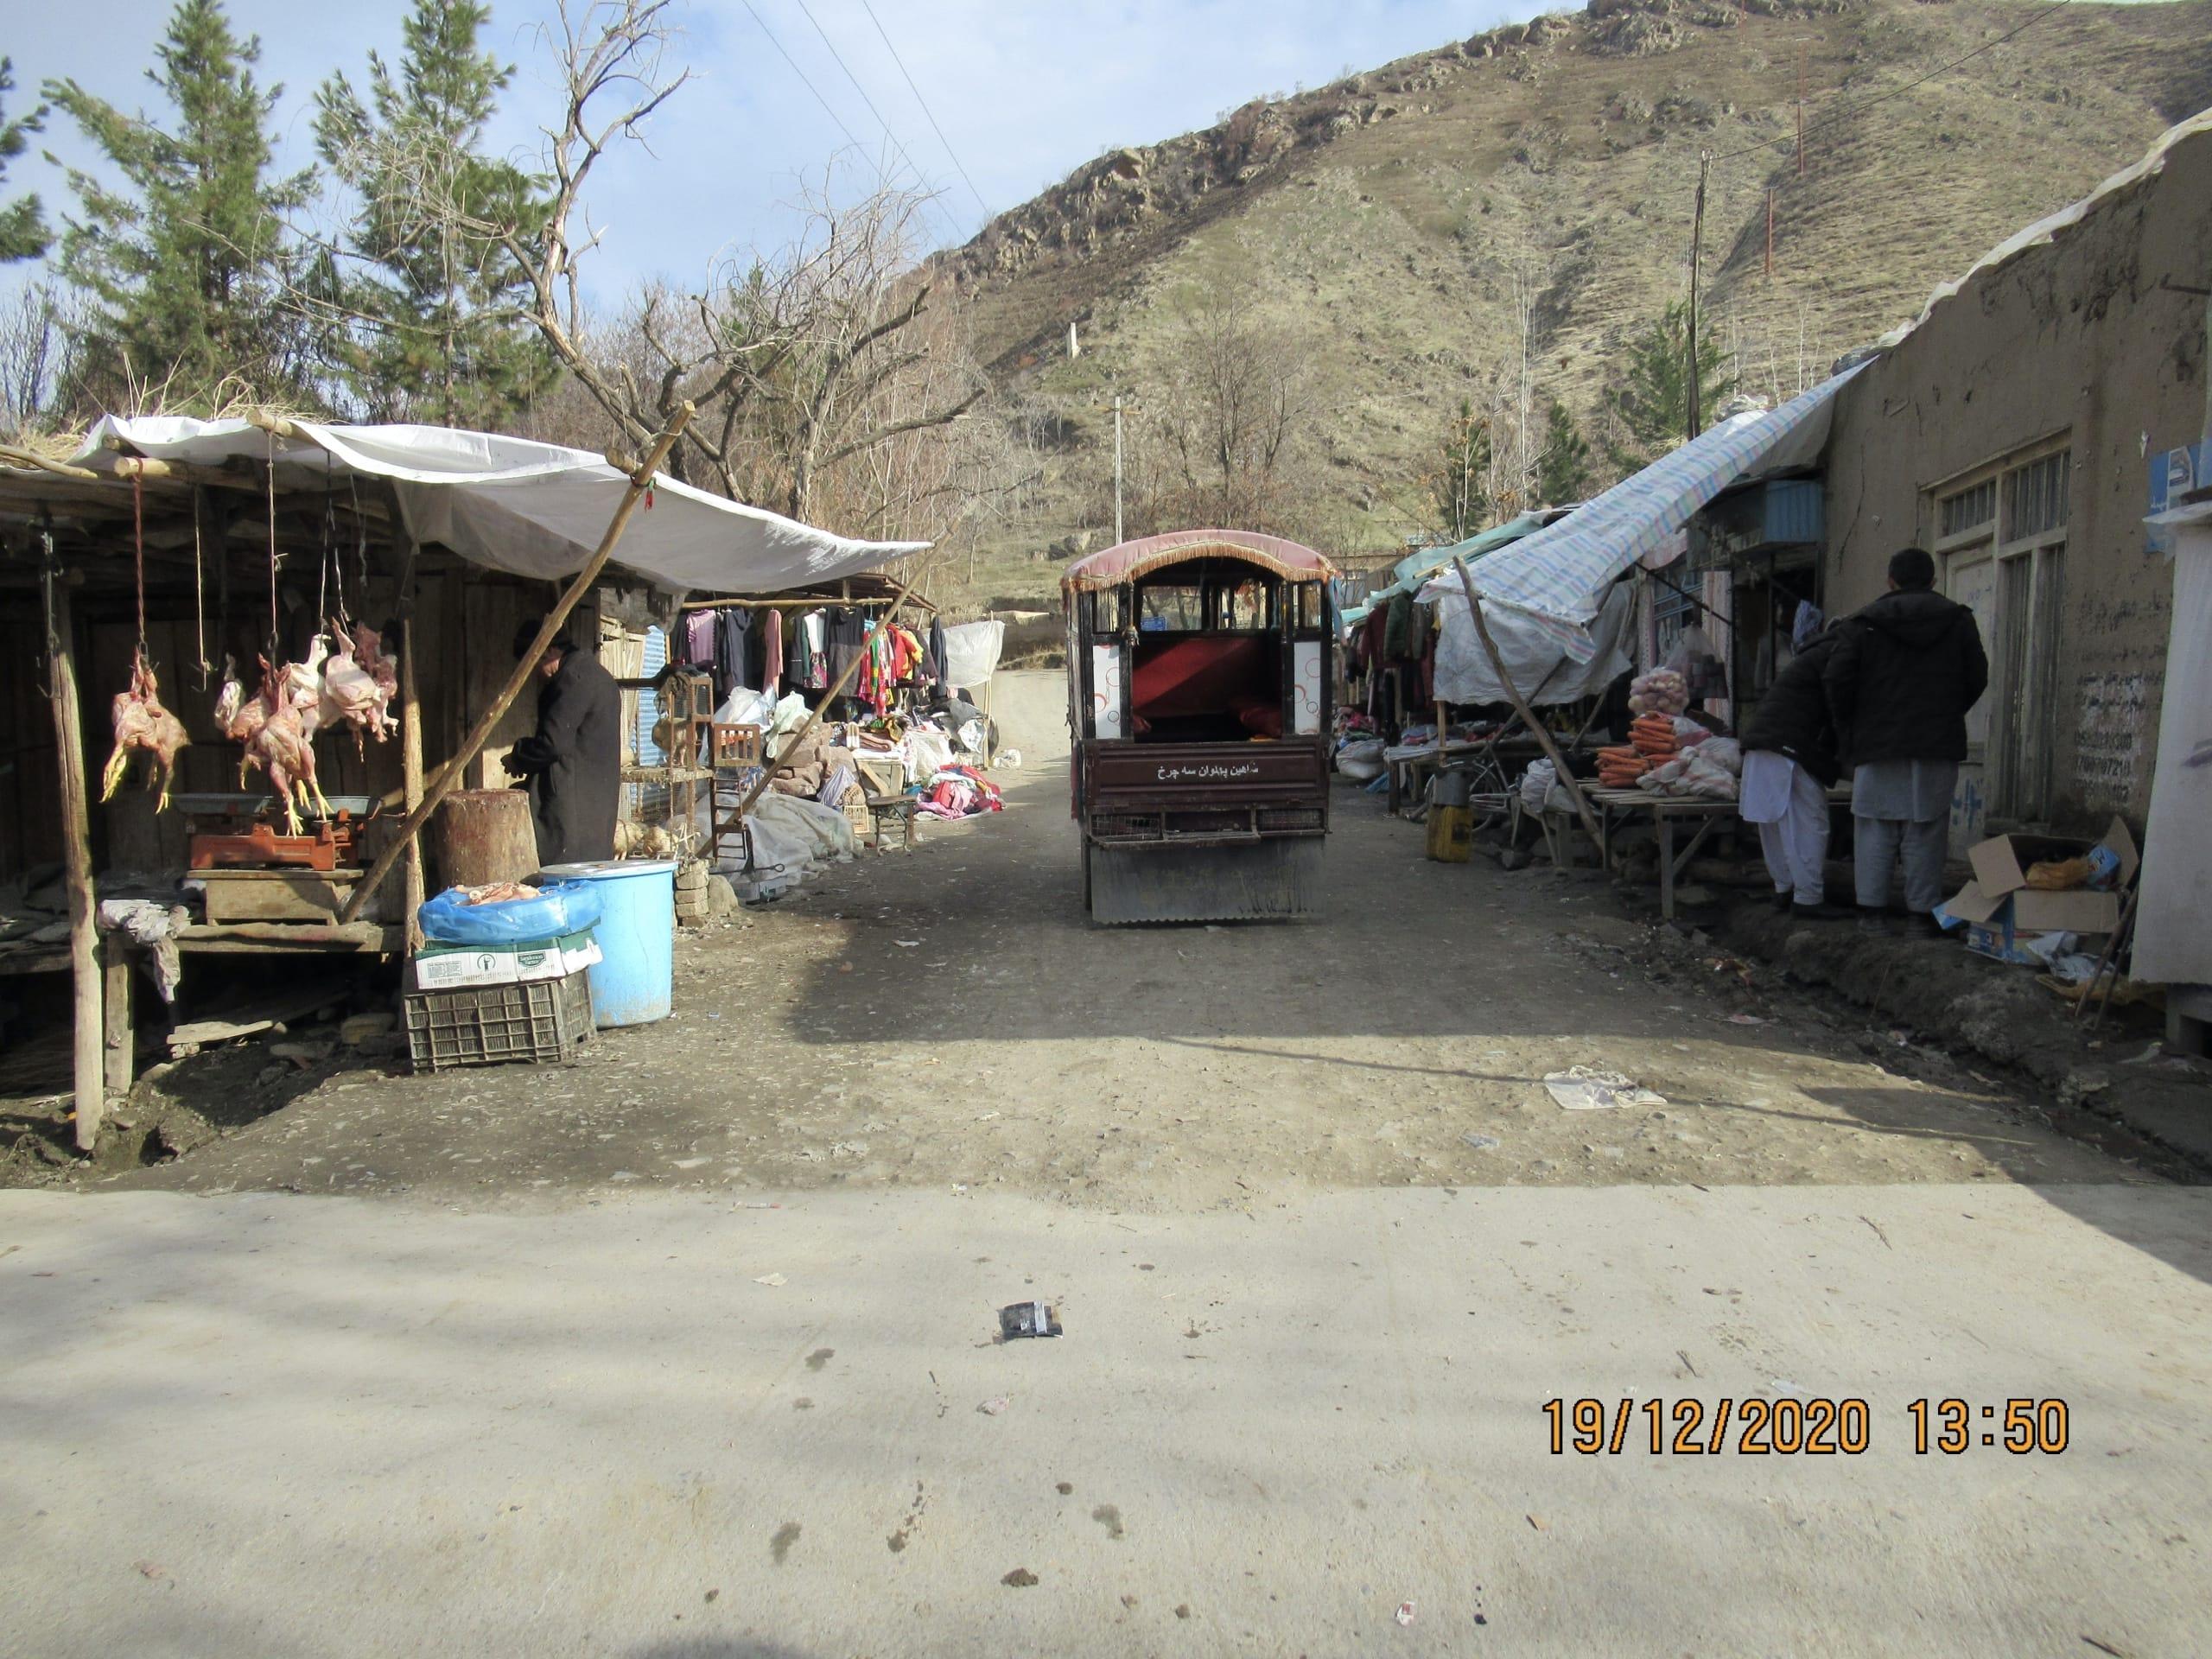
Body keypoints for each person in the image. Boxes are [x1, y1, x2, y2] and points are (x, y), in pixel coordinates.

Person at [1822, 547, 1989, 934]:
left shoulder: (1862, 624)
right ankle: (1920, 917)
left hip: (1877, 743)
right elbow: (1977, 676)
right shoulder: (1958, 620)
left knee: (1875, 828)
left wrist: (1851, 726)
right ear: (1933, 580)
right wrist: (1947, 712)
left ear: (1890, 581)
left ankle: (1871, 915)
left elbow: (1836, 679)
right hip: (1936, 742)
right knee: (1926, 828)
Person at [1739, 622, 1847, 920]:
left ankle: (1784, 889)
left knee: (1774, 822)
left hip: (1762, 740)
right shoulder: (1839, 655)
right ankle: (1808, 899)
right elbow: (1840, 704)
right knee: (1807, 822)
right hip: (1790, 745)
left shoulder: (1811, 656)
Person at [505, 622, 622, 868]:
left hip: (571, 812)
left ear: (548, 651)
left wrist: (520, 755)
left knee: (566, 881)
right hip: (594, 808)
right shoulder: (597, 675)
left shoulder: (572, 679)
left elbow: (552, 744)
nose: (536, 673)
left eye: (534, 662)